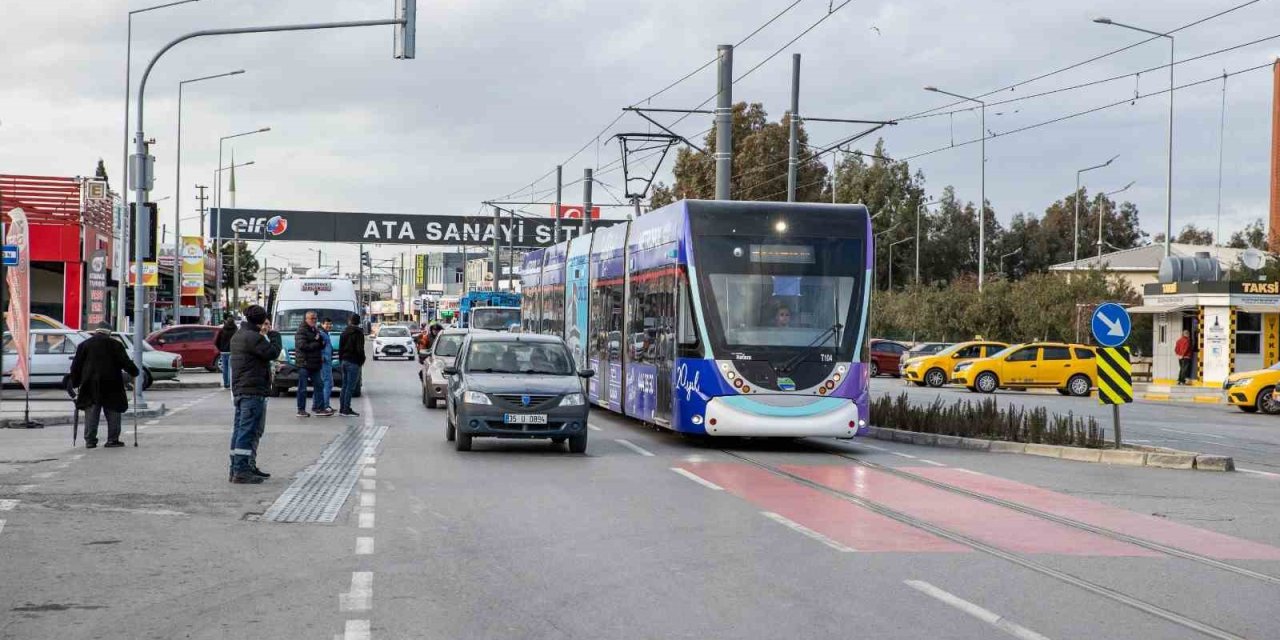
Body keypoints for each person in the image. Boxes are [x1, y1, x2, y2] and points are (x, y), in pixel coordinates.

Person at [229, 305, 283, 483]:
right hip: (252, 390)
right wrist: (274, 335)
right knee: (248, 431)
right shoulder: (253, 338)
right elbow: (273, 353)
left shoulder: (240, 335)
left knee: (240, 431)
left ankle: (238, 467)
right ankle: (241, 471)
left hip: (241, 389)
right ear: (260, 321)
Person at [68, 322, 140, 449]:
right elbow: (126, 362)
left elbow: (75, 366)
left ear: (96, 332)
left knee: (91, 412)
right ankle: (112, 440)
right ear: (109, 333)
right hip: (112, 383)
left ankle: (90, 440)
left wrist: (76, 382)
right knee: (113, 411)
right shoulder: (116, 345)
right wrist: (134, 371)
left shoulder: (84, 345)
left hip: (90, 384)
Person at [294, 311, 325, 418]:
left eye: (315, 318)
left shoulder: (315, 329)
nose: (314, 320)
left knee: (319, 385)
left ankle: (319, 408)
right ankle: (301, 410)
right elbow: (303, 346)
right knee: (302, 388)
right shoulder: (301, 330)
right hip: (304, 363)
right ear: (306, 319)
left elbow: (321, 344)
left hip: (315, 364)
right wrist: (316, 342)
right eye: (312, 318)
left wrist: (319, 341)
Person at [338, 314, 366, 417]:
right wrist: (361, 360)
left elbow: (340, 348)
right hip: (353, 362)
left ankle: (342, 408)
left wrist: (341, 360)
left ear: (349, 321)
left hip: (344, 361)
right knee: (350, 387)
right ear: (358, 322)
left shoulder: (344, 332)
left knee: (344, 386)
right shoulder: (359, 333)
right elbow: (360, 349)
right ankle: (346, 409)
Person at [312, 317, 336, 416]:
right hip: (324, 363)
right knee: (327, 384)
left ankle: (317, 404)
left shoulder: (325, 334)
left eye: (330, 324)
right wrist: (322, 358)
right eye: (326, 324)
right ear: (322, 324)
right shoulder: (322, 334)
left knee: (321, 384)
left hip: (326, 362)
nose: (328, 326)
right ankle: (324, 405)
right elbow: (320, 347)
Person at [214, 316, 237, 389]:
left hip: (223, 352)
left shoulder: (222, 330)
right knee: (231, 368)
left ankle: (226, 384)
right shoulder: (235, 330)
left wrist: (220, 349)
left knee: (225, 369)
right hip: (232, 352)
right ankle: (230, 383)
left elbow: (216, 341)